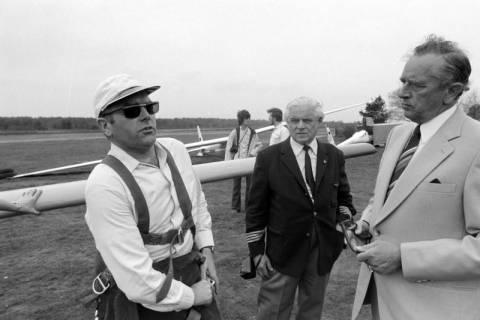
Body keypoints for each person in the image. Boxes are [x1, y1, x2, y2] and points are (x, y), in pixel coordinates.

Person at [352, 35, 480, 320]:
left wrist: (403, 257)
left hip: (438, 309)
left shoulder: (477, 145)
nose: (402, 93)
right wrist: (365, 222)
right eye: (403, 81)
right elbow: (387, 195)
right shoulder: (400, 134)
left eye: (417, 85)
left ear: (452, 91)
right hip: (385, 301)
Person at [85, 74, 221, 320]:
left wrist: (206, 249)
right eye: (132, 111)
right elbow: (137, 279)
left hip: (193, 267)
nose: (146, 115)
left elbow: (197, 203)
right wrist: (192, 296)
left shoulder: (176, 150)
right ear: (105, 126)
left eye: (150, 106)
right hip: (147, 296)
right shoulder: (105, 184)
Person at [246, 96, 356, 320]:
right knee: (272, 312)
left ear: (319, 121)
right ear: (286, 123)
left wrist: (341, 229)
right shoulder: (268, 158)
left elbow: (344, 199)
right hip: (282, 252)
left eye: (307, 120)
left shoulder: (334, 155)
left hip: (322, 250)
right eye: (294, 120)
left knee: (311, 312)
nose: (300, 126)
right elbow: (256, 209)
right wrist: (257, 253)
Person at [224, 109, 259, 213]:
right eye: (246, 118)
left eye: (249, 117)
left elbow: (258, 145)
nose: (248, 119)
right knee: (236, 186)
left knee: (250, 186)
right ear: (242, 119)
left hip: (248, 162)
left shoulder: (253, 132)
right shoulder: (234, 132)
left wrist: (253, 152)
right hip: (237, 162)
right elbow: (229, 147)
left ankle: (249, 207)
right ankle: (235, 207)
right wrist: (227, 163)